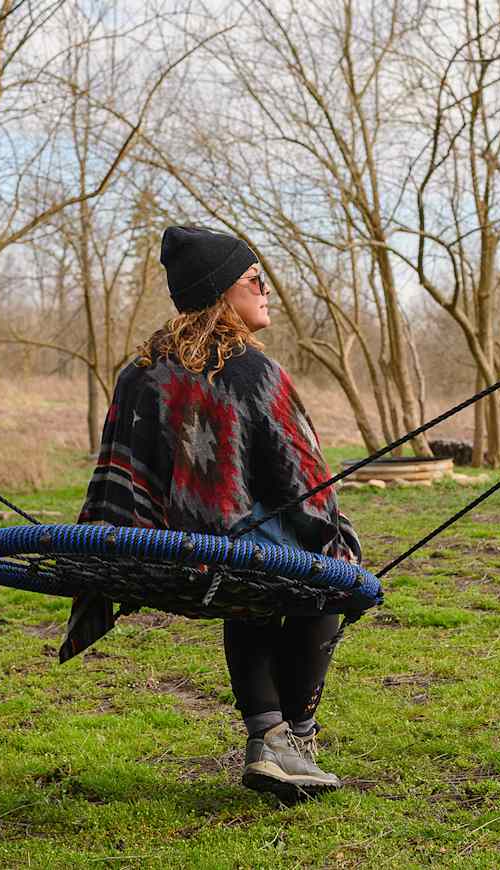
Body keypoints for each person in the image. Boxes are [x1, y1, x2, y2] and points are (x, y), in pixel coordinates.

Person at [63, 225, 361, 801]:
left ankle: (266, 736)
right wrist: (339, 541)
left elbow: (119, 477)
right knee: (330, 572)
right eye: (256, 280)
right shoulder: (256, 373)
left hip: (166, 557)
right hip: (235, 556)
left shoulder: (140, 372)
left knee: (244, 580)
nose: (266, 290)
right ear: (224, 292)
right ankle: (294, 739)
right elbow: (307, 483)